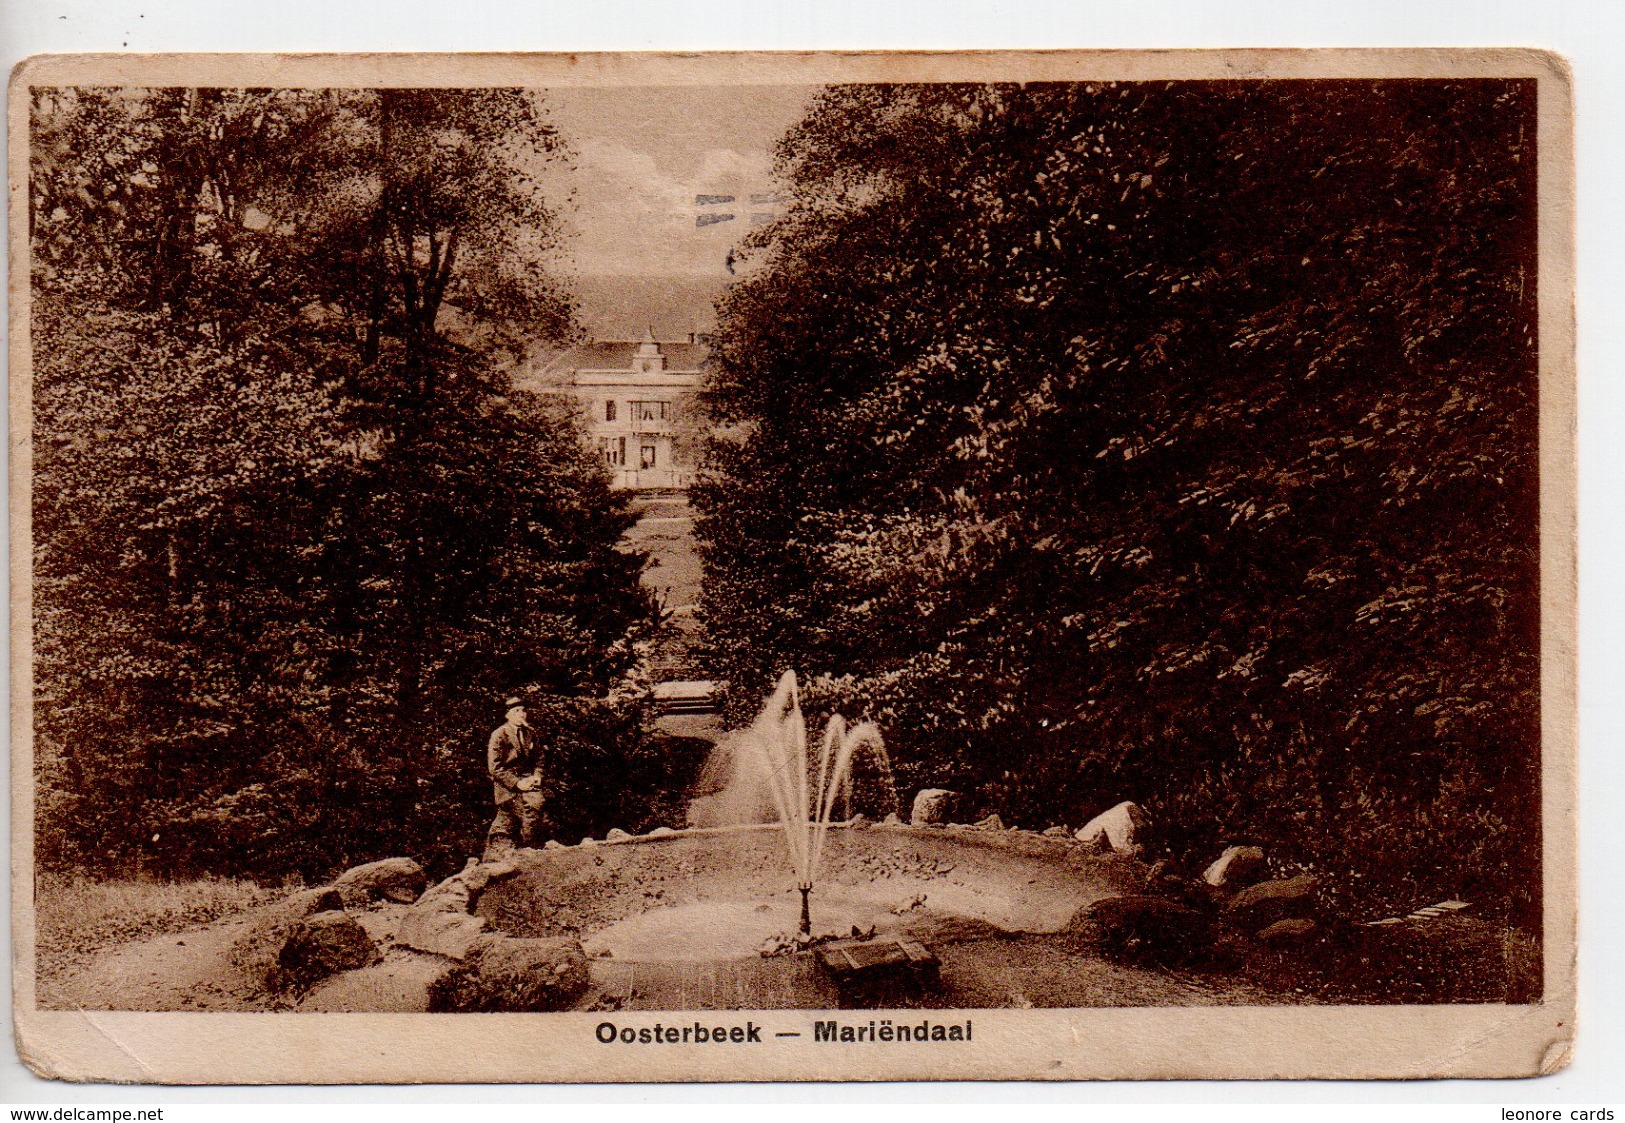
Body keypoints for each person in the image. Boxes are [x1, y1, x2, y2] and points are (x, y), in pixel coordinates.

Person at [486, 695, 543, 854]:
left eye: (523, 710)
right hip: (507, 786)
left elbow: (540, 758)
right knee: (509, 821)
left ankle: (527, 853)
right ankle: (499, 856)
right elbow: (495, 767)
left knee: (536, 812)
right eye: (516, 711)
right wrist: (517, 783)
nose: (521, 714)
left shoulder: (530, 733)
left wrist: (537, 776)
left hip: (528, 782)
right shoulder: (499, 735)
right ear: (507, 715)